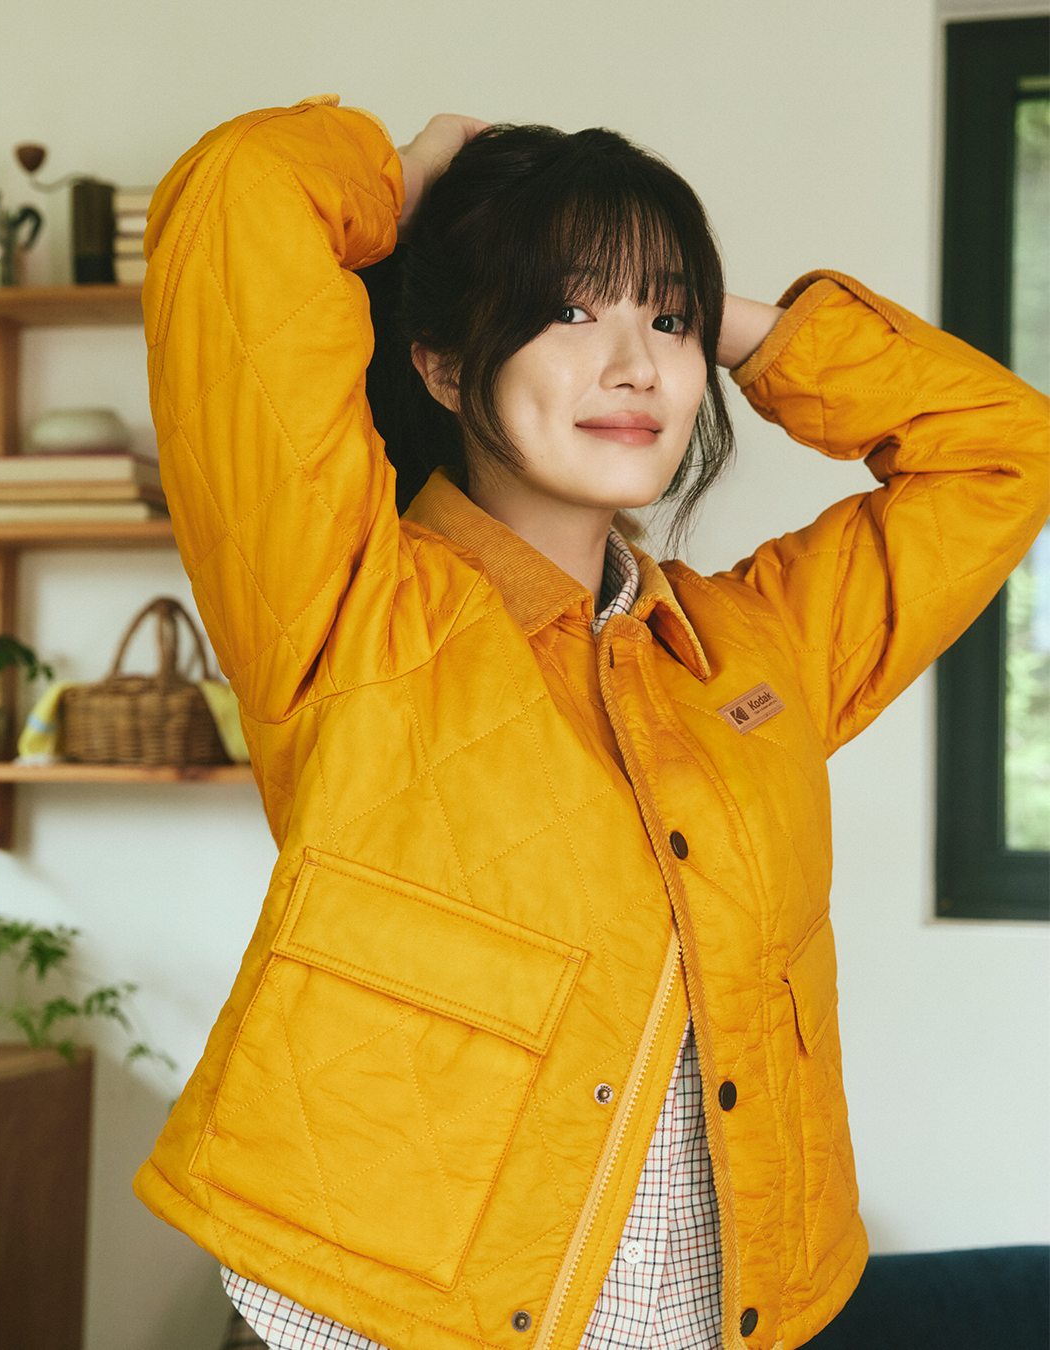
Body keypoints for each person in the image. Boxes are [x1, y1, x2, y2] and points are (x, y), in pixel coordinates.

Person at [133, 95, 1047, 1350]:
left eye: (665, 322)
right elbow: (236, 193)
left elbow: (1005, 452)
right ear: (443, 361)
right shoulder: (347, 605)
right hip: (367, 1325)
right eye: (567, 312)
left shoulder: (754, 651)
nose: (635, 367)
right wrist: (411, 180)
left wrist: (723, 320)